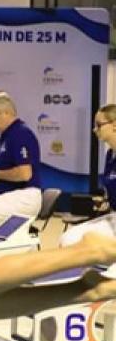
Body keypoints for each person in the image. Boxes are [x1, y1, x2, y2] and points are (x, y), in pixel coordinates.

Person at [0, 91, 42, 224]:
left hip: (24, 196)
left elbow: (25, 174)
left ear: (5, 113)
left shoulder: (20, 133)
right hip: (10, 196)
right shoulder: (8, 136)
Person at [60, 105, 116, 247]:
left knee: (72, 241)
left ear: (114, 125)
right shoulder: (110, 155)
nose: (94, 130)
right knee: (67, 238)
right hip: (112, 216)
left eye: (99, 125)